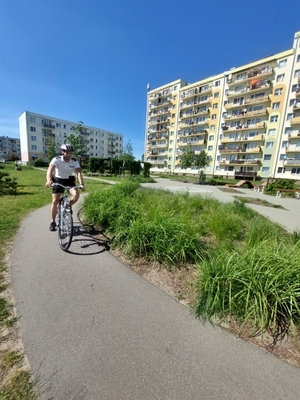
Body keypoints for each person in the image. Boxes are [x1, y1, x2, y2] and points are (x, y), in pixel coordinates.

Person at [45, 143, 85, 231]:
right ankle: (52, 222)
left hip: (69, 181)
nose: (69, 154)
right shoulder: (56, 159)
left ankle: (67, 206)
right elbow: (50, 170)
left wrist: (81, 183)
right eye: (67, 152)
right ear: (63, 152)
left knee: (76, 195)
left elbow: (78, 172)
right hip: (59, 180)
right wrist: (49, 180)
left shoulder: (74, 161)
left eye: (70, 153)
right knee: (55, 201)